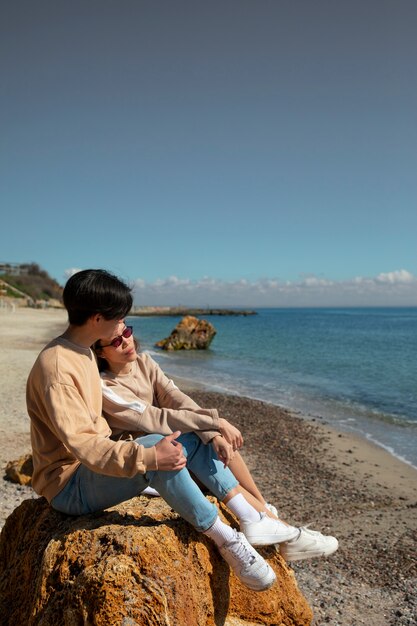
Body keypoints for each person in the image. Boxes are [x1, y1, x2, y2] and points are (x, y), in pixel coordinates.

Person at [27, 269, 303, 593]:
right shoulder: (58, 368)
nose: (124, 328)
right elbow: (85, 446)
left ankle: (250, 516)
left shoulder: (83, 351)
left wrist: (210, 427)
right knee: (158, 452)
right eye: (120, 320)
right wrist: (146, 456)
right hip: (69, 484)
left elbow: (164, 412)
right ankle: (227, 540)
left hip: (94, 469)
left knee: (186, 437)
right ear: (98, 318)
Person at [93, 323, 339, 563]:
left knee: (216, 445)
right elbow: (154, 418)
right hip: (148, 460)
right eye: (115, 341)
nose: (126, 341)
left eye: (126, 332)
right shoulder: (107, 385)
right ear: (101, 351)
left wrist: (214, 432)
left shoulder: (145, 363)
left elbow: (177, 399)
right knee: (208, 450)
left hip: (172, 445)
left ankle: (264, 511)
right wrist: (215, 422)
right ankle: (289, 534)